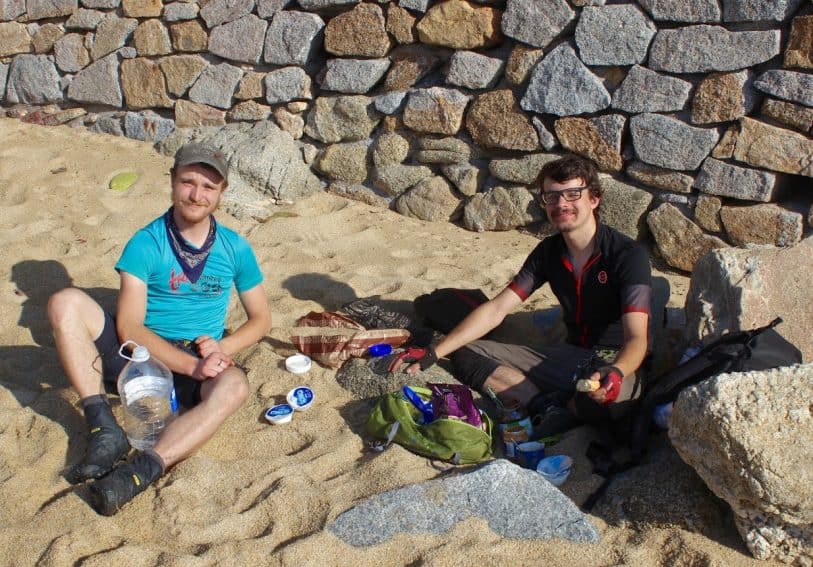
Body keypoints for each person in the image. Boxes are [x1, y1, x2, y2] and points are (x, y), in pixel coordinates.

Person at [48, 144, 271, 515]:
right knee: (64, 302)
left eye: (208, 187)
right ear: (172, 181)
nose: (197, 195)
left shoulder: (235, 247)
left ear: (221, 192)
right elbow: (130, 326)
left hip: (197, 356)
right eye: (188, 182)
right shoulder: (146, 241)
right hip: (140, 354)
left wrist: (221, 349)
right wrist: (191, 368)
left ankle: (141, 470)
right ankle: (104, 429)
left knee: (235, 386)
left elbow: (261, 318)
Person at [396, 154, 652, 435]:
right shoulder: (548, 252)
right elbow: (497, 309)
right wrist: (434, 352)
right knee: (465, 352)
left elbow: (637, 337)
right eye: (552, 196)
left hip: (612, 362)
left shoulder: (627, 256)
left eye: (572, 194)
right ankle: (545, 406)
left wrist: (616, 373)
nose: (561, 204)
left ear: (594, 199)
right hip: (569, 356)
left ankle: (565, 405)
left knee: (604, 406)